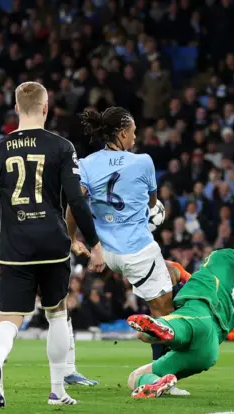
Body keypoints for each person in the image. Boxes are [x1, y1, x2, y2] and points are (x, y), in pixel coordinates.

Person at [0, 82, 105, 407]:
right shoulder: (62, 147)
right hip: (52, 242)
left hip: (15, 246)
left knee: (8, 318)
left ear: (16, 108)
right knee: (57, 312)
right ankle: (57, 390)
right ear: (46, 108)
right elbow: (76, 199)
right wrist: (94, 243)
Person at [68, 107, 176, 363]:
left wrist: (72, 239)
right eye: (134, 132)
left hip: (103, 251)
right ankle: (161, 375)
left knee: (170, 271)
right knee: (163, 315)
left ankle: (66, 368)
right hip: (136, 250)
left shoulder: (86, 163)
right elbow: (152, 204)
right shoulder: (143, 162)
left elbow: (75, 203)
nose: (136, 137)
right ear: (123, 132)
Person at [126, 230, 234, 398]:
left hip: (199, 313)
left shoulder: (222, 255)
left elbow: (201, 278)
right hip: (209, 349)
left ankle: (166, 329)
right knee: (138, 375)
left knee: (143, 334)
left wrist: (178, 272)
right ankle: (157, 382)